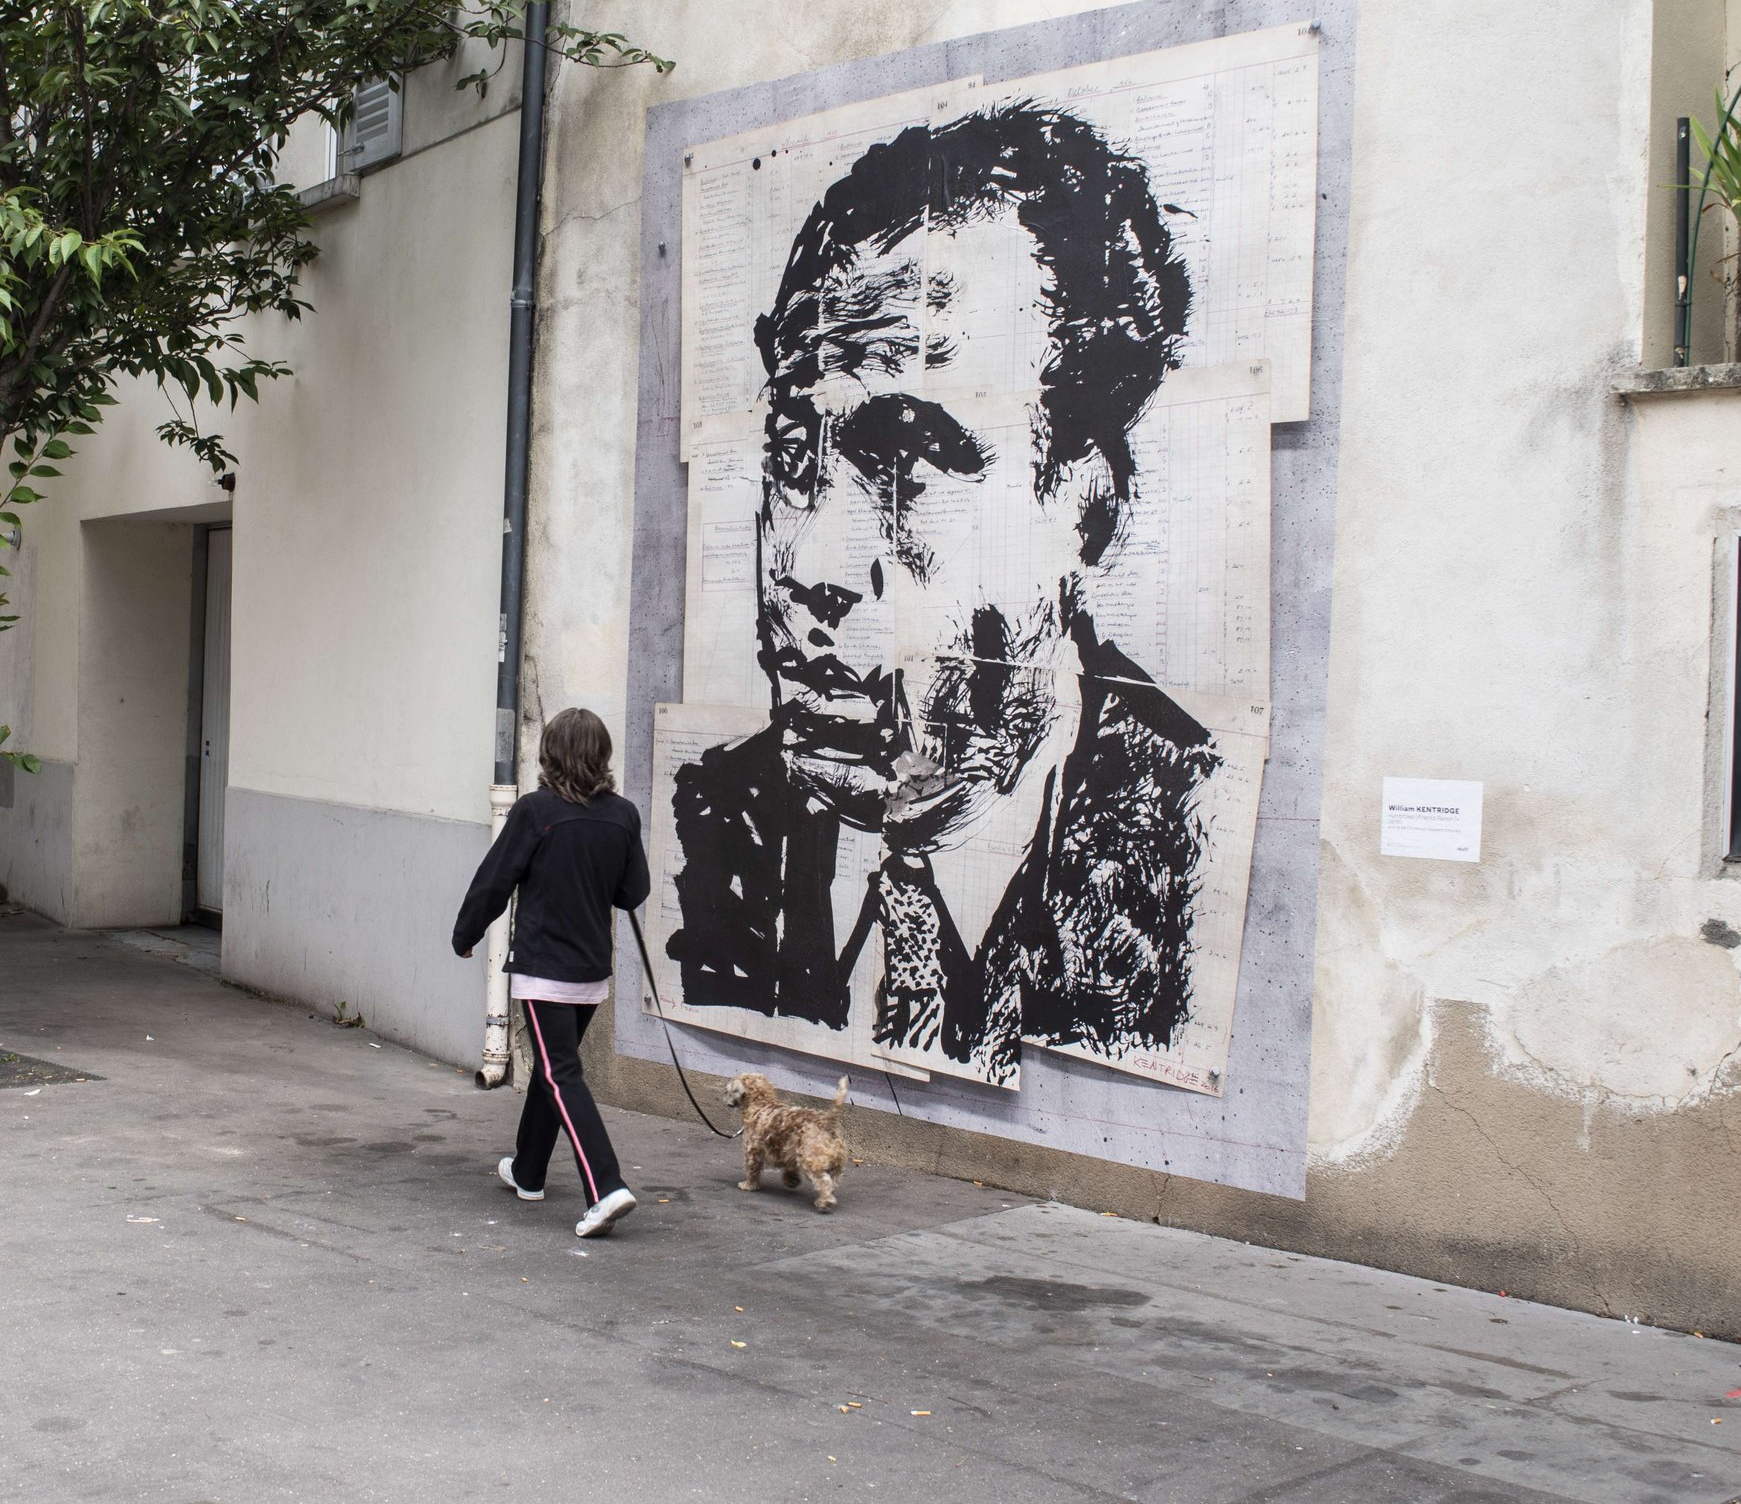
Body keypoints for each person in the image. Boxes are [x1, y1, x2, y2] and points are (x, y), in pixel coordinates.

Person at [668, 99, 1222, 1088]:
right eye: (792, 457)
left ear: (1085, 508)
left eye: (906, 459)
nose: (808, 563)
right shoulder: (712, 820)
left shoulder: (1194, 844)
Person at [453, 707, 651, 1238]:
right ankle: (528, 1171)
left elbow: (495, 879)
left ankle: (606, 1186)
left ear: (551, 756)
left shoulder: (535, 811)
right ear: (601, 756)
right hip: (590, 971)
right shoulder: (623, 815)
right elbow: (633, 892)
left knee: (561, 1074)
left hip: (544, 969)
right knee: (552, 1067)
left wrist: (466, 933)